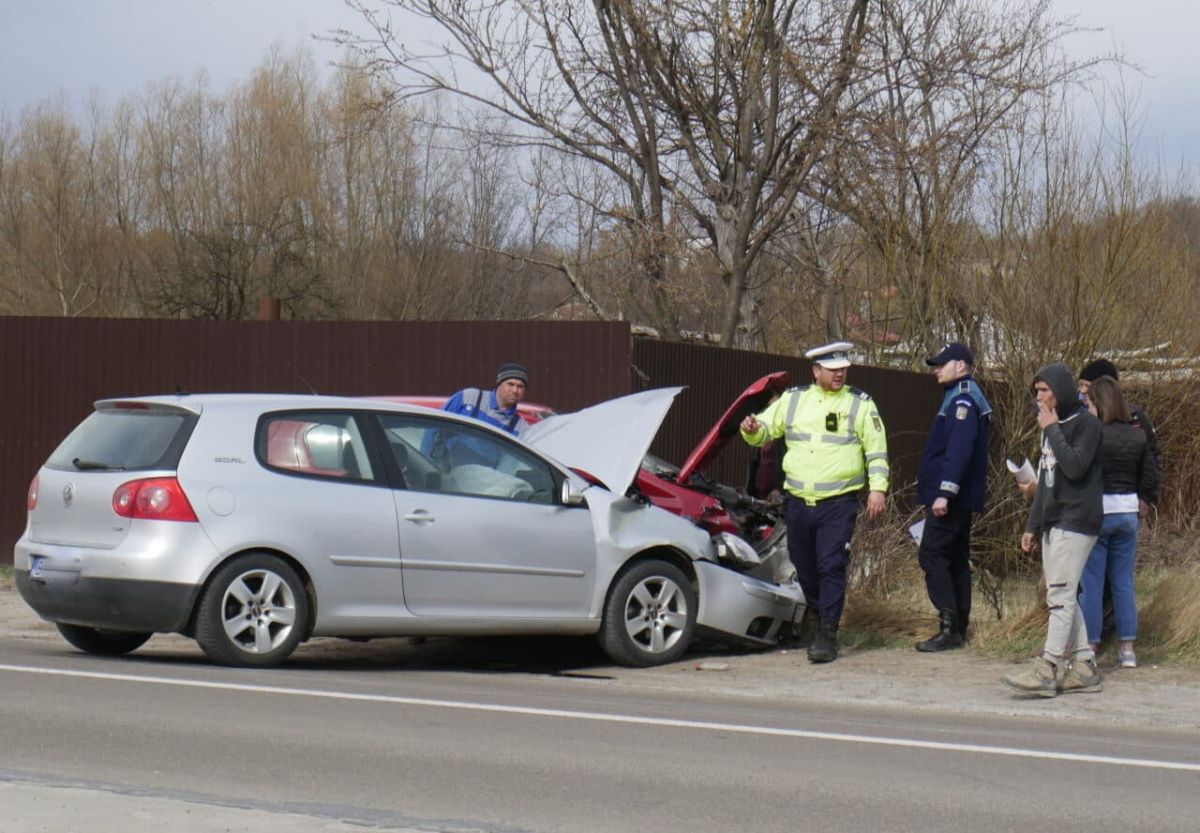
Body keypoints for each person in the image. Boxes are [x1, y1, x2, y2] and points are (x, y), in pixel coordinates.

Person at [739, 341, 889, 663]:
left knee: (830, 565)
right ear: (816, 370)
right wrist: (751, 428)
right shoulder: (793, 400)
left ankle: (827, 634)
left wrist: (878, 489)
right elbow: (763, 430)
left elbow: (877, 451)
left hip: (838, 503)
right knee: (804, 566)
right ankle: (820, 615)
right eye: (833, 370)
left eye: (843, 369)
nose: (840, 374)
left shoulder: (860, 404)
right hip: (798, 502)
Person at [1002, 362, 1104, 697]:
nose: (1039, 397)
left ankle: (1047, 668)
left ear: (1060, 391)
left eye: (1044, 390)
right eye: (1036, 392)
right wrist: (1033, 525)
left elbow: (1075, 467)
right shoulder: (1051, 429)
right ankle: (1084, 665)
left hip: (1077, 520)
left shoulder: (1086, 424)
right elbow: (1046, 481)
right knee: (1062, 593)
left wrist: (1052, 429)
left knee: (1059, 594)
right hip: (1054, 520)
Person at [1077, 375, 1160, 668]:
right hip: (1128, 514)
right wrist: (1144, 500)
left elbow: (1080, 473)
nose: (1087, 409)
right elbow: (1151, 474)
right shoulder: (1137, 435)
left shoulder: (1093, 434)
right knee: (1123, 582)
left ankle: (1090, 645)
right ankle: (1127, 649)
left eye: (1089, 404)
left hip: (1098, 514)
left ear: (1099, 404)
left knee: (1092, 583)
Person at [914, 343, 992, 652]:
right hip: (959, 496)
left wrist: (945, 492)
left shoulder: (962, 400)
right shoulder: (962, 395)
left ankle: (948, 627)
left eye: (941, 364)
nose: (936, 369)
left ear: (961, 366)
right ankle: (958, 627)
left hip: (951, 498)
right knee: (956, 559)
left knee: (932, 555)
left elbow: (959, 450)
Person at [442, 362, 531, 437]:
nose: (515, 390)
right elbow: (438, 424)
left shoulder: (520, 429)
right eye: (510, 384)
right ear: (499, 384)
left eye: (520, 386)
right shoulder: (468, 397)